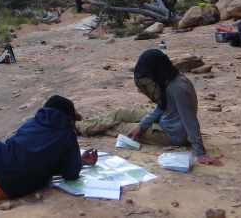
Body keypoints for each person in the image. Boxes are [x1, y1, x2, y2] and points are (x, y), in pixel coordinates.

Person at [77, 49, 223, 167]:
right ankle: (82, 125)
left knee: (120, 127)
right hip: (164, 120)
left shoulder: (177, 88)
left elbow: (189, 119)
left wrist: (201, 153)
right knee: (120, 113)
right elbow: (162, 107)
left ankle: (78, 128)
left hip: (170, 134)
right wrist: (142, 126)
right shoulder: (173, 79)